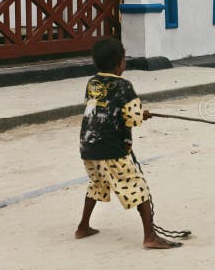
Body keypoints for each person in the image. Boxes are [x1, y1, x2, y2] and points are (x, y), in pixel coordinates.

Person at [76, 38, 182, 249]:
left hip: (88, 147)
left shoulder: (92, 83)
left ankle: (83, 227)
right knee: (138, 187)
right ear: (119, 63)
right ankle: (150, 237)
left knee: (97, 184)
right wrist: (142, 114)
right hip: (111, 148)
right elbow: (132, 118)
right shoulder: (124, 86)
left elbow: (101, 109)